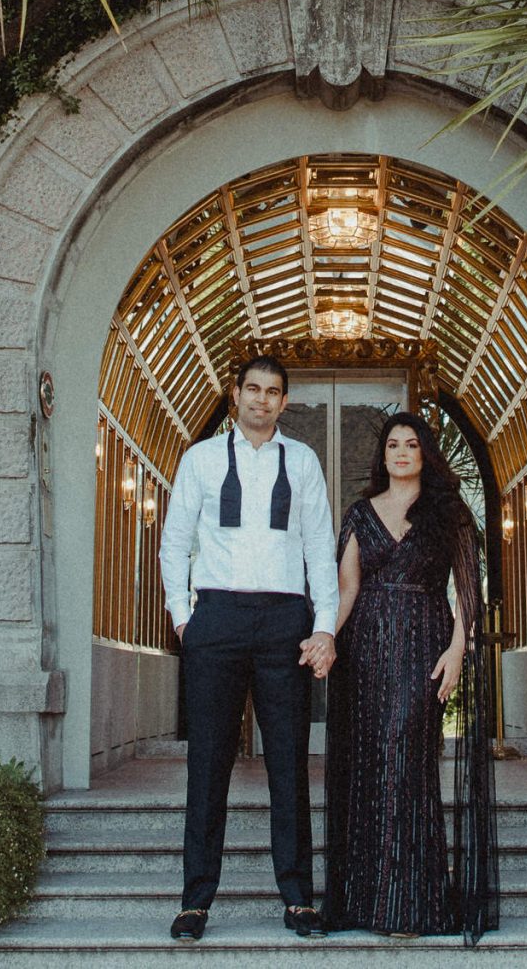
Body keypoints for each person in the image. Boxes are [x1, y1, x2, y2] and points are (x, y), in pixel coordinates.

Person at [155, 354, 338, 943]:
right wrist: (186, 618)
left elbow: (319, 548)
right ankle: (195, 902)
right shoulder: (201, 459)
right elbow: (174, 542)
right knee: (208, 764)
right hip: (218, 617)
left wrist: (325, 626)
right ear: (235, 394)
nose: (262, 400)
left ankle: (298, 900)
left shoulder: (303, 462)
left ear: (285, 402)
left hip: (285, 618)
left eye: (273, 392)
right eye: (253, 389)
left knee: (289, 765)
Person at [323, 411, 481, 937]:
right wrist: (325, 637)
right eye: (393, 444)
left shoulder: (449, 513)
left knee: (406, 760)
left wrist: (459, 649)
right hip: (365, 650)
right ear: (383, 454)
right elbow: (347, 590)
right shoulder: (360, 514)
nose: (401, 452)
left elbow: (467, 591)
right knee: (371, 768)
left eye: (412, 444)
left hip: (423, 644)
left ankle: (413, 902)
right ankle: (370, 901)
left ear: (424, 454)